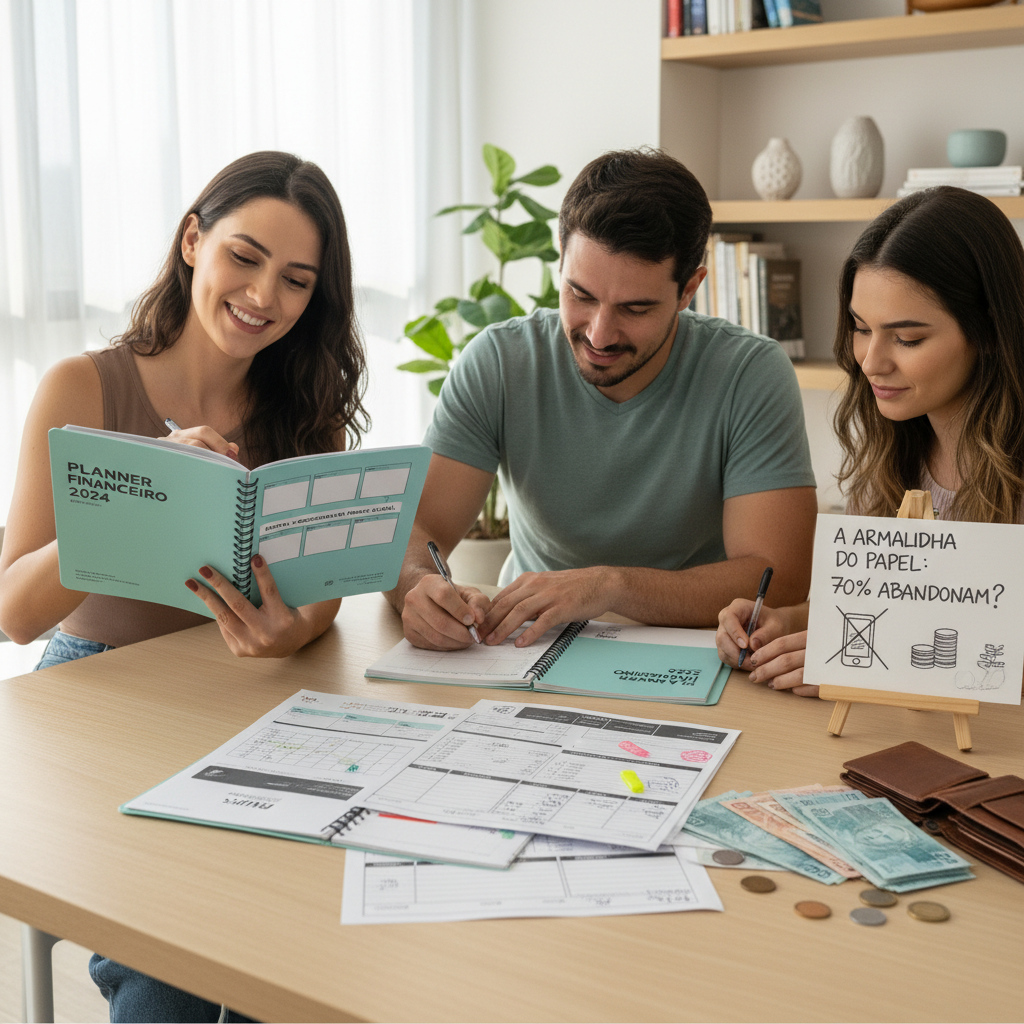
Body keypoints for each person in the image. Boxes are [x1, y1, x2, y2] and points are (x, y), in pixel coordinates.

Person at [0, 150, 368, 1021]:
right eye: (246, 257)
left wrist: (295, 630)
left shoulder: (303, 406)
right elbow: (13, 614)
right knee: (174, 962)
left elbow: (322, 599)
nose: (265, 297)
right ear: (193, 241)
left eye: (297, 280)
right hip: (101, 696)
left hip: (250, 699)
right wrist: (139, 486)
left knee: (292, 953)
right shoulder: (85, 386)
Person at [388, 148, 818, 650]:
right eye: (580, 294)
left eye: (635, 307)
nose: (599, 333)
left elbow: (778, 579)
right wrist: (418, 587)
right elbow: (415, 530)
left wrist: (611, 586)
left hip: (692, 653)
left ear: (689, 289)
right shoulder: (500, 361)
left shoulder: (750, 373)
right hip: (525, 648)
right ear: (561, 262)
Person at [716, 185, 1024, 697]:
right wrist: (784, 623)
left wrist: (869, 662)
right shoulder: (893, 451)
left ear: (988, 329)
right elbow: (884, 604)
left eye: (908, 338)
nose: (871, 361)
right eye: (861, 328)